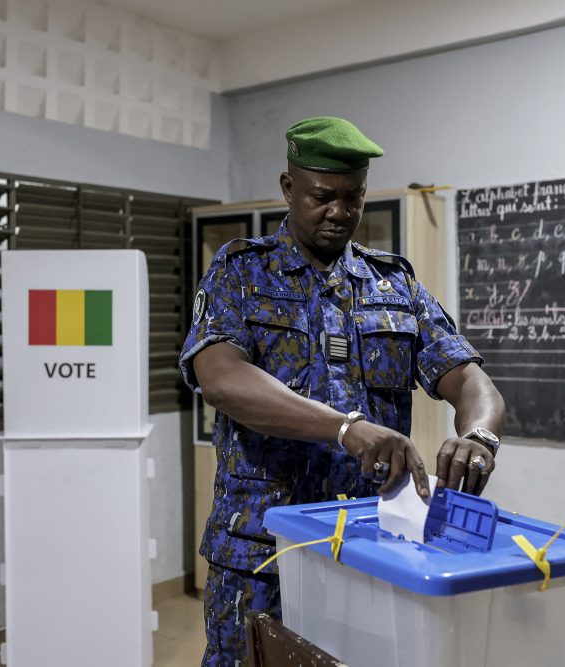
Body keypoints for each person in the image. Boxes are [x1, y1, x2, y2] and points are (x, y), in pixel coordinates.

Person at [179, 116, 505, 667]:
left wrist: (478, 435)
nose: (339, 212)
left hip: (367, 550)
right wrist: (344, 427)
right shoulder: (240, 272)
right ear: (288, 189)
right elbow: (221, 377)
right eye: (322, 196)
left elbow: (471, 379)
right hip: (263, 554)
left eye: (353, 198)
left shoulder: (392, 282)